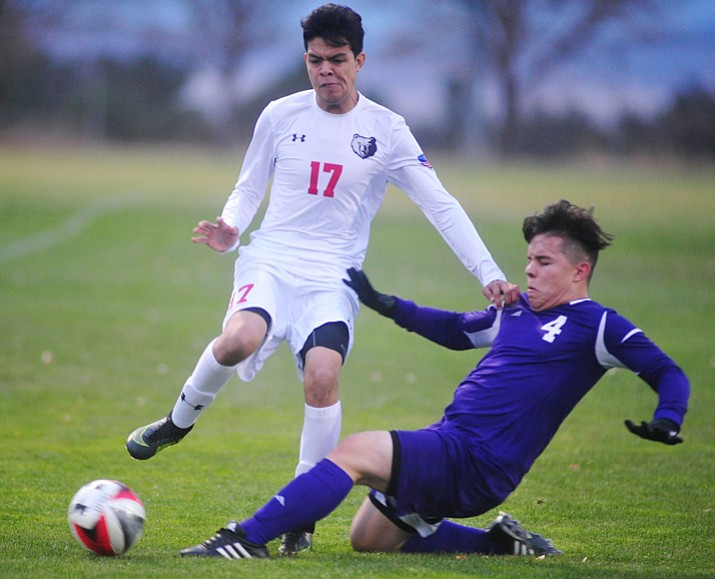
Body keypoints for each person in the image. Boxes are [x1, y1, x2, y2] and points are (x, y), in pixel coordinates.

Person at [125, 3, 518, 556]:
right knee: (239, 340)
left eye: (337, 60)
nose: (325, 71)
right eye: (315, 60)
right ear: (305, 59)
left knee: (323, 374)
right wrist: (231, 228)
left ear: (360, 61)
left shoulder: (387, 130)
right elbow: (247, 184)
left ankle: (300, 514)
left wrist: (491, 274)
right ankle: (177, 421)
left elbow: (442, 206)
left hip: (335, 277)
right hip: (272, 260)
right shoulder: (279, 114)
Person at [178, 199, 689, 560]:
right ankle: (495, 544)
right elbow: (452, 330)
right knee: (368, 539)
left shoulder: (599, 326)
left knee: (352, 453)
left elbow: (668, 371)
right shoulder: (515, 311)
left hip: (478, 459)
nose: (528, 270)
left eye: (543, 261)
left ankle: (246, 539)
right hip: (452, 444)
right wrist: (386, 304)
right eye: (528, 258)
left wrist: (669, 417)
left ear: (580, 271)